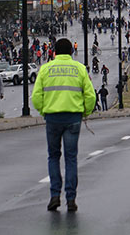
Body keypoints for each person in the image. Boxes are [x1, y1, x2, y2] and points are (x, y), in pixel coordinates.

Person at [32, 38, 96, 213]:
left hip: (52, 117)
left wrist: (44, 110)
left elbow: (36, 97)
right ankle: (71, 198)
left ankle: (54, 195)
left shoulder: (45, 69)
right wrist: (85, 112)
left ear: (53, 52)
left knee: (53, 156)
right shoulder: (79, 69)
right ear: (71, 52)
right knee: (71, 158)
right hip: (73, 117)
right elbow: (90, 96)